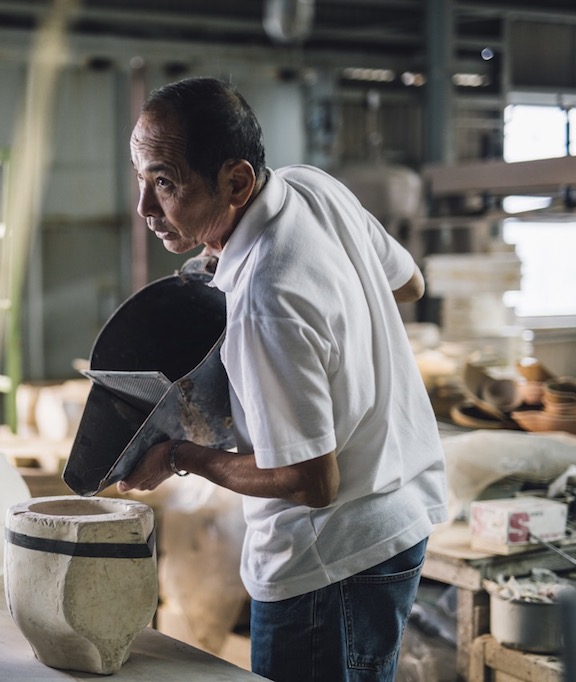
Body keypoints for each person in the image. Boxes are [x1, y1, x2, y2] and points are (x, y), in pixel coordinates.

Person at [118, 76, 448, 682]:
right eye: (142, 180)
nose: (144, 208)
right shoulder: (311, 186)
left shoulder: (266, 300)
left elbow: (310, 480)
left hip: (329, 564)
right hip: (398, 518)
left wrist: (181, 456)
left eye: (165, 183)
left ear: (236, 182)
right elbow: (409, 285)